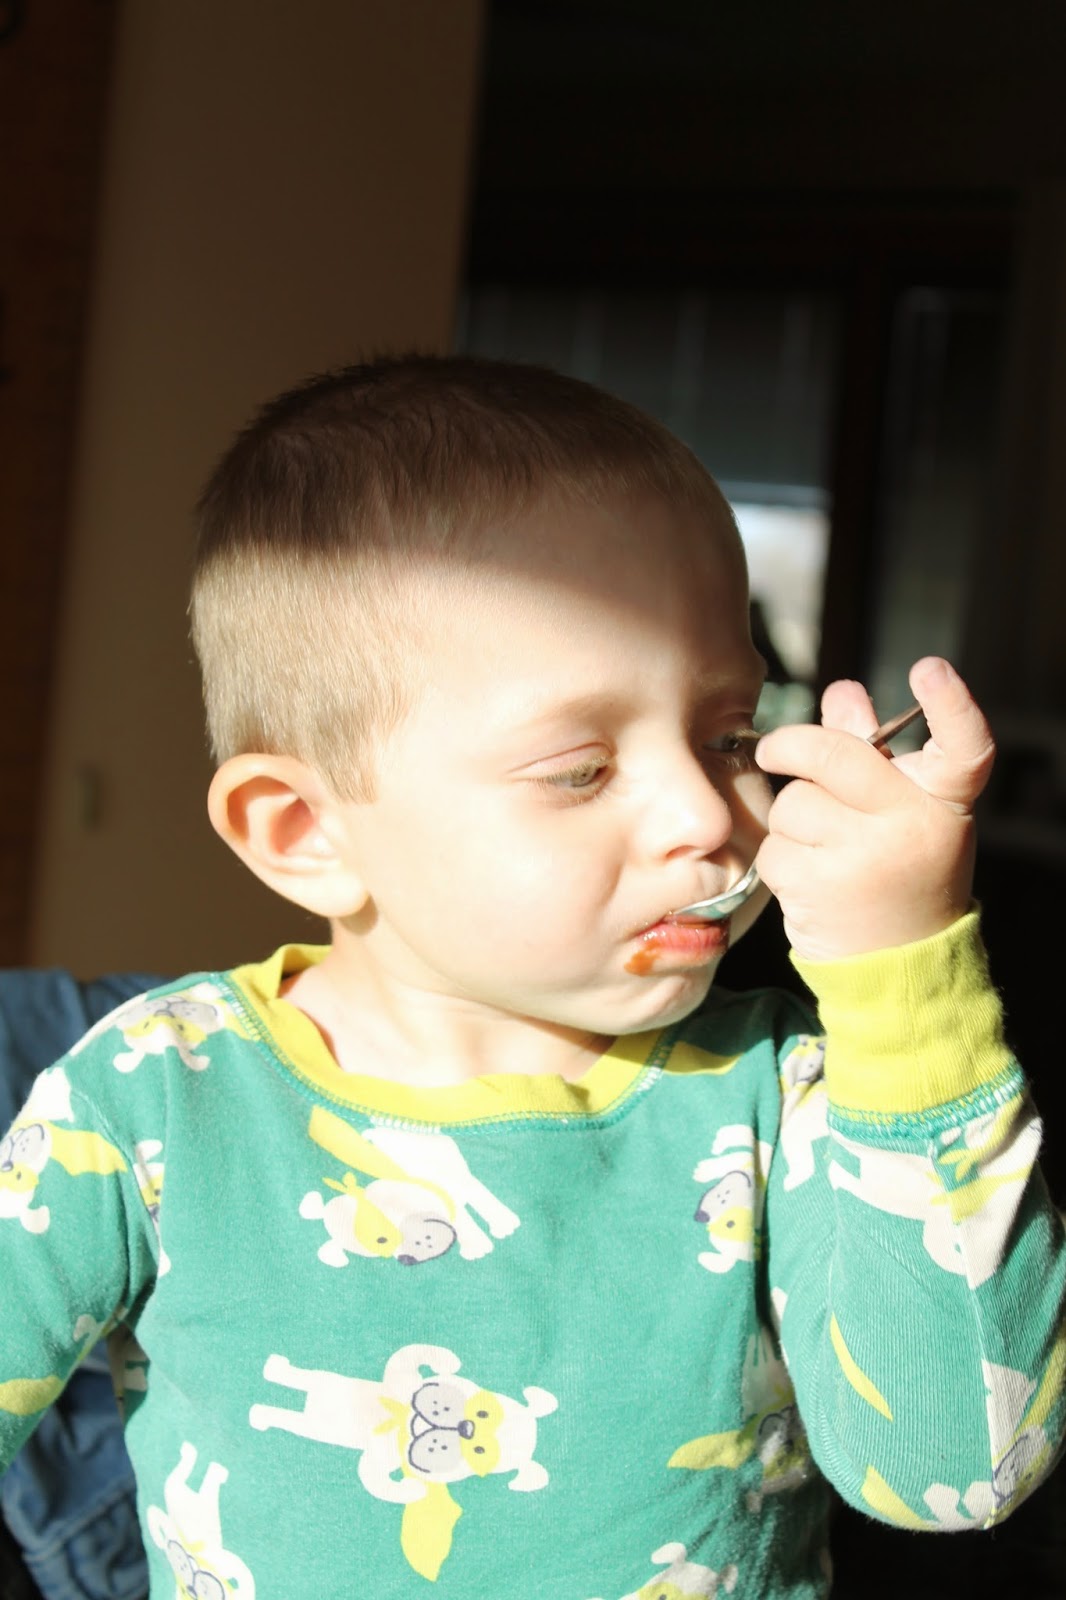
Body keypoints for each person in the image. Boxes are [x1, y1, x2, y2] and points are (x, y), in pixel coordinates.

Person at [0, 356, 1063, 1599]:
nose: (704, 811)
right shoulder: (147, 1101)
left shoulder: (791, 1093)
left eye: (728, 736)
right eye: (580, 770)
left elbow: (957, 1472)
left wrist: (907, 987)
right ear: (307, 832)